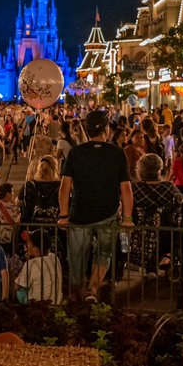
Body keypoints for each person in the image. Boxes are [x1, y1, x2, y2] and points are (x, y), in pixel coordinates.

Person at [58, 111, 133, 303]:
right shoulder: (117, 153)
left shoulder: (76, 152)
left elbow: (65, 186)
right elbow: (126, 188)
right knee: (104, 253)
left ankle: (77, 293)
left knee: (76, 257)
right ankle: (93, 288)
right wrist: (127, 218)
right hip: (107, 213)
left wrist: (64, 215)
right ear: (106, 129)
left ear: (87, 130)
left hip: (79, 213)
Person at [130, 153, 183, 276]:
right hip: (163, 232)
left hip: (137, 231)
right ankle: (154, 266)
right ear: (159, 170)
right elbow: (179, 204)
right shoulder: (169, 187)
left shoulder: (134, 188)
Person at [15, 229, 64, 304]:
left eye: (29, 244)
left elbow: (17, 286)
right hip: (57, 301)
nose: (27, 246)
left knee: (20, 291)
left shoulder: (31, 264)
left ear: (36, 249)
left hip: (38, 304)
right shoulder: (54, 257)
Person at [21, 155, 62, 225]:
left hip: (31, 225)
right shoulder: (60, 185)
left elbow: (18, 202)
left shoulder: (30, 185)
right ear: (55, 169)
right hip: (55, 225)